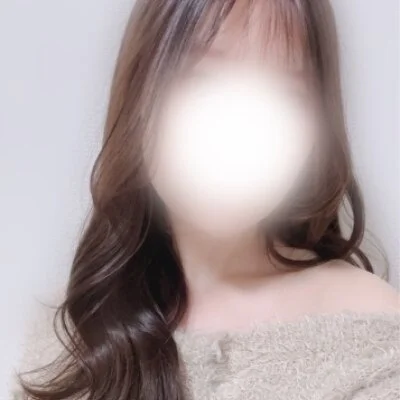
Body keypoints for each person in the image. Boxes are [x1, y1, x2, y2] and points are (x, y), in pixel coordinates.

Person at [17, 0, 399, 399]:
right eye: (203, 79)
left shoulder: (371, 337)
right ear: (138, 96)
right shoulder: (70, 330)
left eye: (283, 93)